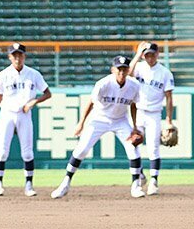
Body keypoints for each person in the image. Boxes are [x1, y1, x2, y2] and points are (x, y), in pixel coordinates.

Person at [51, 56, 144, 199]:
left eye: (125, 69)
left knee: (133, 148)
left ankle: (136, 186)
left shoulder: (134, 85)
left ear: (128, 70)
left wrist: (135, 127)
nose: (122, 72)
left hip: (120, 120)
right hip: (100, 118)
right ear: (113, 70)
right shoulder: (103, 84)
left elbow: (133, 105)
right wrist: (81, 123)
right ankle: (65, 183)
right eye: (119, 69)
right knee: (81, 150)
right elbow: (91, 103)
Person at [0, 42, 51, 197]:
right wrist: (8, 108)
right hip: (7, 114)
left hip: (25, 114)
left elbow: (47, 93)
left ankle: (29, 185)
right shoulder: (3, 75)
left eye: (20, 55)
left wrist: (33, 102)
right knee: (2, 151)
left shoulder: (33, 74)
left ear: (24, 56)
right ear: (10, 57)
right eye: (14, 55)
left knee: (27, 152)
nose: (17, 58)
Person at [129, 42, 175, 195]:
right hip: (138, 111)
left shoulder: (164, 72)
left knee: (153, 148)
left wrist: (168, 119)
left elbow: (169, 97)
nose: (149, 57)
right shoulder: (140, 67)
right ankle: (140, 174)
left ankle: (154, 181)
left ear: (157, 54)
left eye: (152, 54)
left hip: (154, 113)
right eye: (146, 54)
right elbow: (128, 74)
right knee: (131, 143)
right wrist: (137, 55)